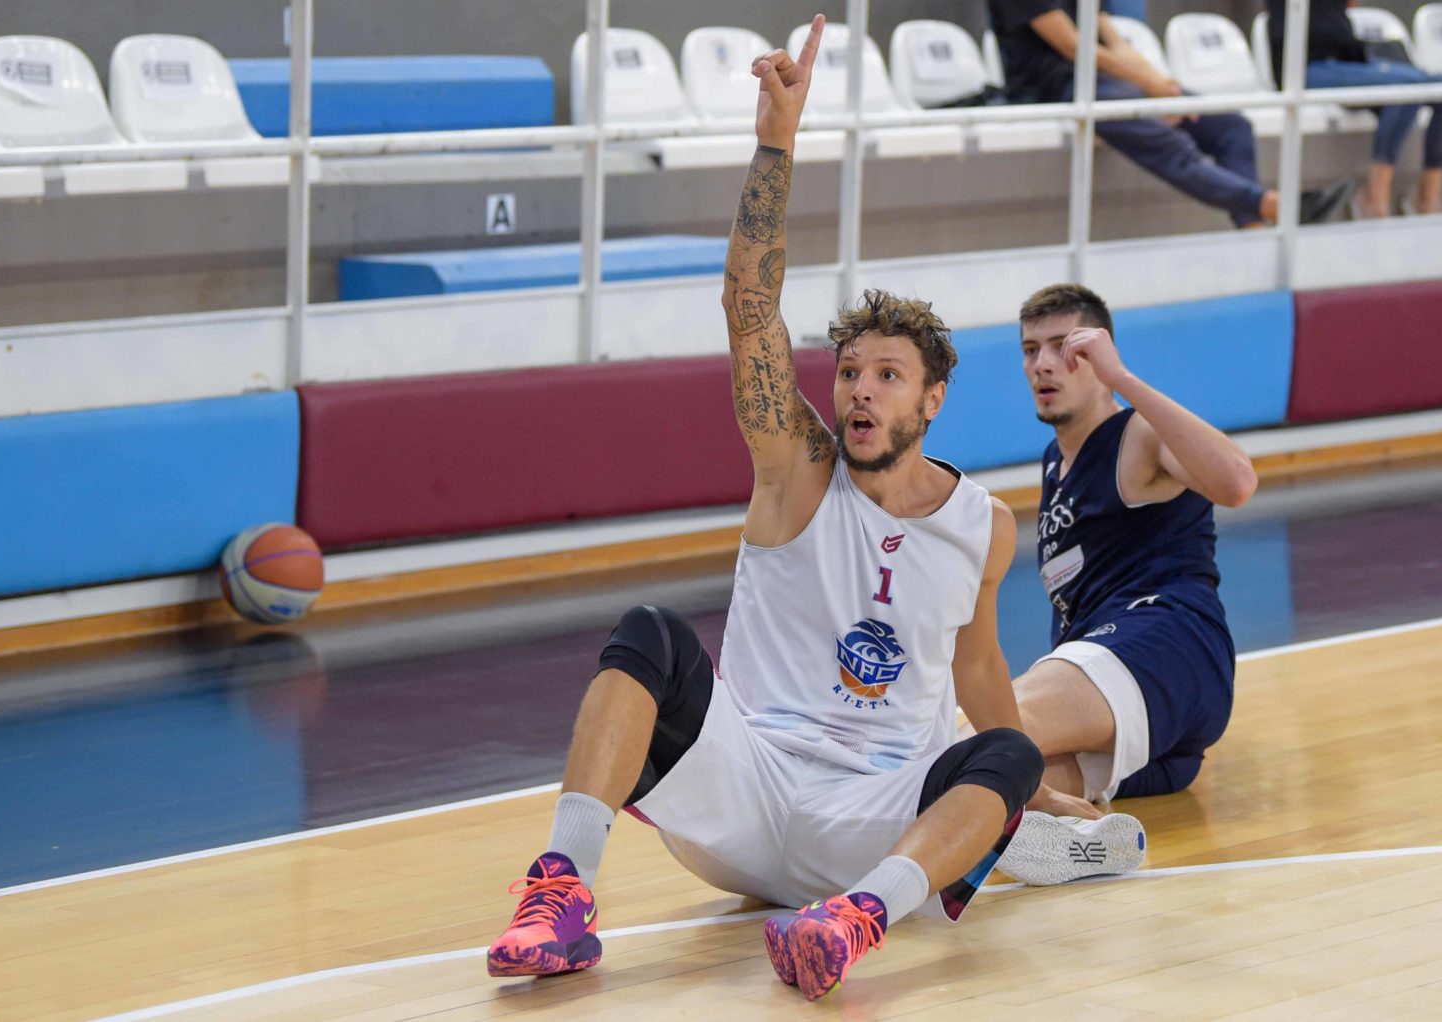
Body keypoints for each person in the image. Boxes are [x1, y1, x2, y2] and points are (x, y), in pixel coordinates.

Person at [485, 15, 1111, 1002]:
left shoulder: (984, 525)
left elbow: (981, 672)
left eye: (888, 375)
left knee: (1003, 749)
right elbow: (749, 308)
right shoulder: (798, 467)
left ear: (932, 399)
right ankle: (559, 894)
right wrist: (776, 144)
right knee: (648, 633)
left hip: (872, 822)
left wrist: (1030, 788)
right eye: (850, 371)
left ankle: (850, 925)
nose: (860, 389)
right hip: (744, 790)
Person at [987, 285, 1255, 869]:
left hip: (1164, 643)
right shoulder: (1055, 462)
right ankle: (1092, 845)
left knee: (984, 736)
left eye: (1064, 347)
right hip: (1158, 727)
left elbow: (1237, 482)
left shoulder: (1139, 434)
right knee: (988, 791)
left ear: (1100, 353)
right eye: (1031, 349)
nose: (1043, 364)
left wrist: (1123, 379)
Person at [988, 0, 1353, 228]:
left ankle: (1253, 231)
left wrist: (1161, 84)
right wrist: (1147, 82)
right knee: (1172, 144)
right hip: (1061, 89)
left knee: (1231, 125)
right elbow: (1073, 47)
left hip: (1110, 82)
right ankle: (1280, 207)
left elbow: (1115, 43)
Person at [1267, 0, 1442, 218]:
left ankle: (1426, 198)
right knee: (1404, 89)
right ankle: (1374, 197)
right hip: (1306, 67)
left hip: (1349, 61)